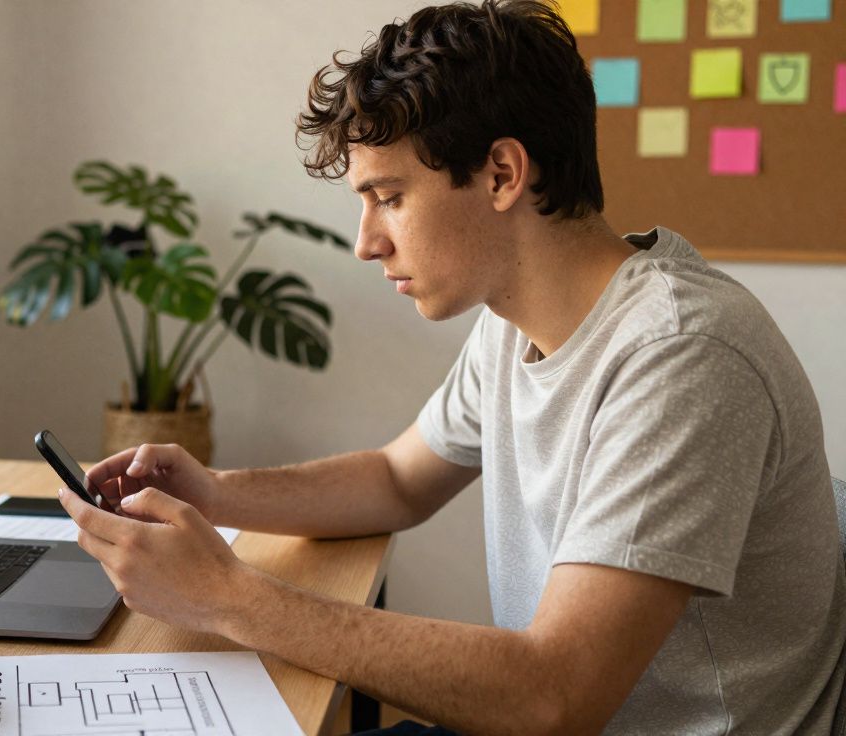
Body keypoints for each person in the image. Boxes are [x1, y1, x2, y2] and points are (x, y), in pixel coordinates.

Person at [58, 2, 846, 733]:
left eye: (389, 196)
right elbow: (398, 480)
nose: (366, 242)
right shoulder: (515, 323)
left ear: (503, 173)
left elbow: (555, 695)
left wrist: (230, 598)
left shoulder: (680, 356)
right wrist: (215, 491)